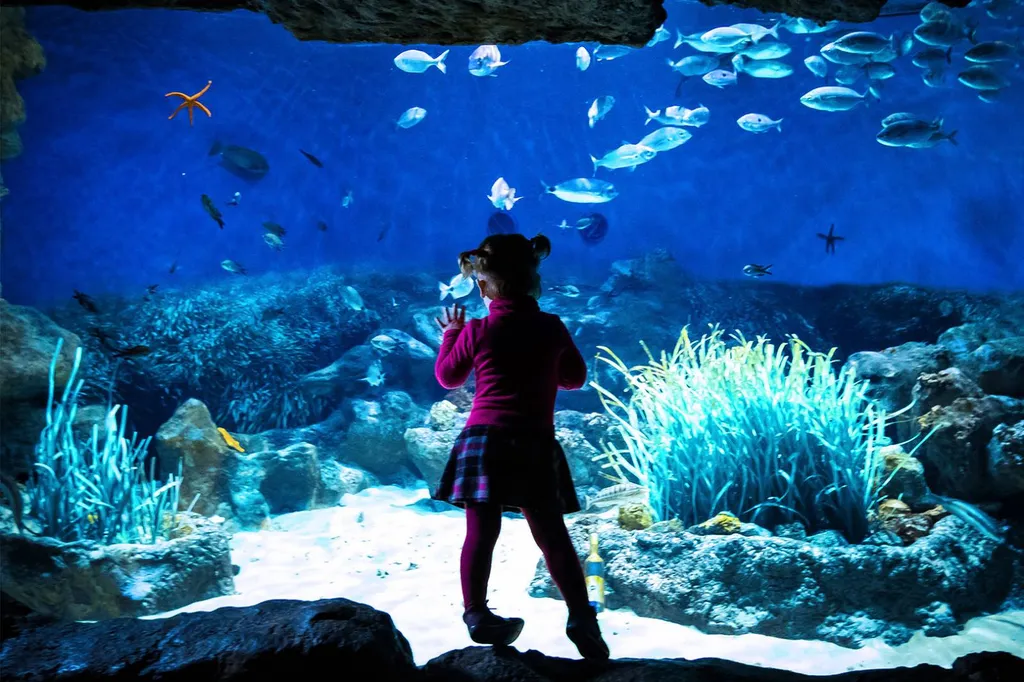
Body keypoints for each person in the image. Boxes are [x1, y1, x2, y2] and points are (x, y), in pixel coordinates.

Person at [431, 233, 610, 662]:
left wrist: (452, 334)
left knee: (482, 532)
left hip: (483, 441)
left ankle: (476, 614)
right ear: (535, 279)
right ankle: (581, 617)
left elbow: (448, 378)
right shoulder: (551, 327)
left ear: (482, 284)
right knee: (552, 537)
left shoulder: (478, 328)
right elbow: (575, 379)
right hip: (533, 439)